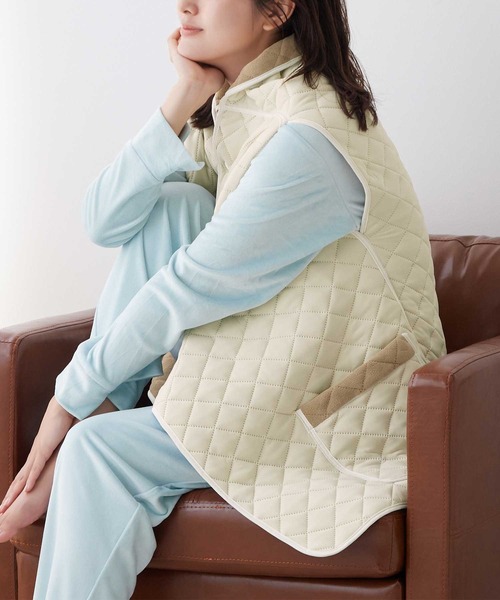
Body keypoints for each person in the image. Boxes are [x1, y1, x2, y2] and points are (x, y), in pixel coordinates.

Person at [0, 0, 446, 597]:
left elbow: (190, 286)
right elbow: (106, 221)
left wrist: (69, 400)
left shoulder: (308, 136)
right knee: (175, 206)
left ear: (276, 10)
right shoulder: (244, 108)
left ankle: (100, 414)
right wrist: (182, 96)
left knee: (94, 452)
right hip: (270, 373)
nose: (185, 5)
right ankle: (109, 406)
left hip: (334, 403)